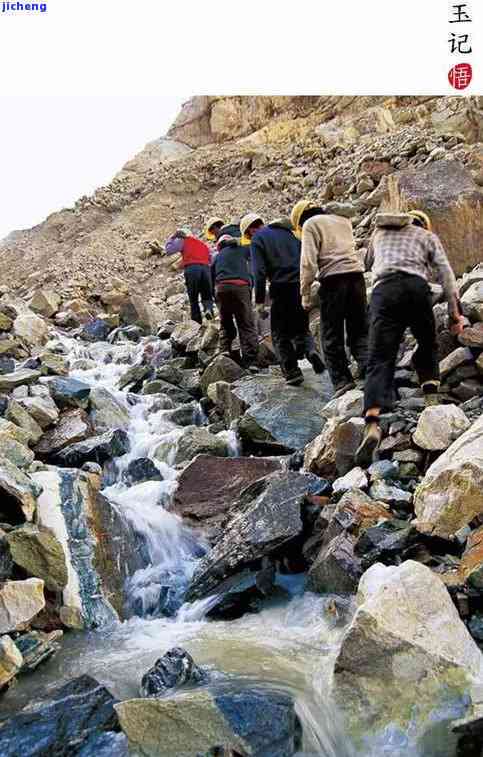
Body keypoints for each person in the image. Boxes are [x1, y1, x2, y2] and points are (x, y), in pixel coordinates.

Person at [355, 209, 465, 467]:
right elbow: (447, 274)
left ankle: (371, 421)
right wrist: (454, 314)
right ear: (423, 224)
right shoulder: (426, 236)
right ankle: (430, 395)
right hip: (417, 290)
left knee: (380, 357)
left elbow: (369, 263)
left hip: (384, 291)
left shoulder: (380, 233)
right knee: (427, 342)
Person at [291, 200, 369, 398]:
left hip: (333, 281)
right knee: (359, 331)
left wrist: (305, 293)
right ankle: (372, 373)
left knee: (331, 335)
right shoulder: (343, 220)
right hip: (357, 278)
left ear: (300, 220)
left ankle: (343, 382)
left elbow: (308, 263)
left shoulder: (311, 225)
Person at [241, 212, 325, 386]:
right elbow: (306, 257)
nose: (249, 238)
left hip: (280, 288)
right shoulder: (288, 233)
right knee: (302, 329)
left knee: (280, 334)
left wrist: (259, 302)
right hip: (300, 286)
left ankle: (292, 372)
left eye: (248, 235)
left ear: (250, 230)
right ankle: (311, 351)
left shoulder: (258, 239)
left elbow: (259, 272)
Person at [212, 234, 258, 367]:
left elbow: (211, 277)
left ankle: (225, 351)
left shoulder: (217, 256)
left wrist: (215, 297)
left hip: (222, 288)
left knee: (225, 322)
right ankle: (251, 361)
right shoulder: (243, 250)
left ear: (220, 246)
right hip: (241, 287)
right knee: (246, 323)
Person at [164, 228, 214, 324]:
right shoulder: (202, 244)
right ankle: (208, 310)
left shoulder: (183, 241)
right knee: (207, 296)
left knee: (193, 298)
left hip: (192, 270)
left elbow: (169, 250)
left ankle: (196, 323)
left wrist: (172, 237)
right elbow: (210, 259)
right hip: (206, 270)